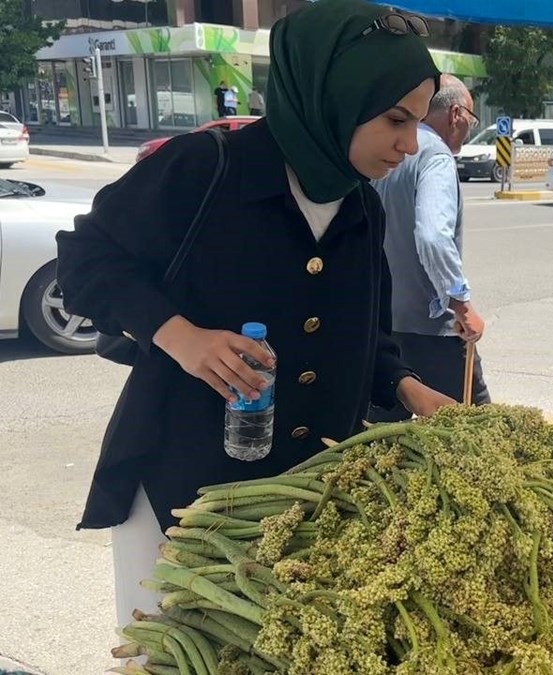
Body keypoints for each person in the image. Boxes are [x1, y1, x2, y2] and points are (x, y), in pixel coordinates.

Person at [55, 0, 455, 627]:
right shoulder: (203, 170)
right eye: (394, 120)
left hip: (303, 505)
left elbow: (365, 337)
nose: (409, 145)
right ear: (335, 96)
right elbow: (83, 261)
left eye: (417, 121)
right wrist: (180, 336)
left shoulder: (361, 208)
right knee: (169, 655)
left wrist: (409, 388)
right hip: (180, 496)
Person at [371, 74, 488, 417]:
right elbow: (433, 236)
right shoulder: (435, 155)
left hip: (383, 325)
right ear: (456, 115)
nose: (468, 126)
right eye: (471, 117)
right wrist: (462, 305)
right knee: (471, 432)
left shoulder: (388, 151)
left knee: (389, 437)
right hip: (433, 333)